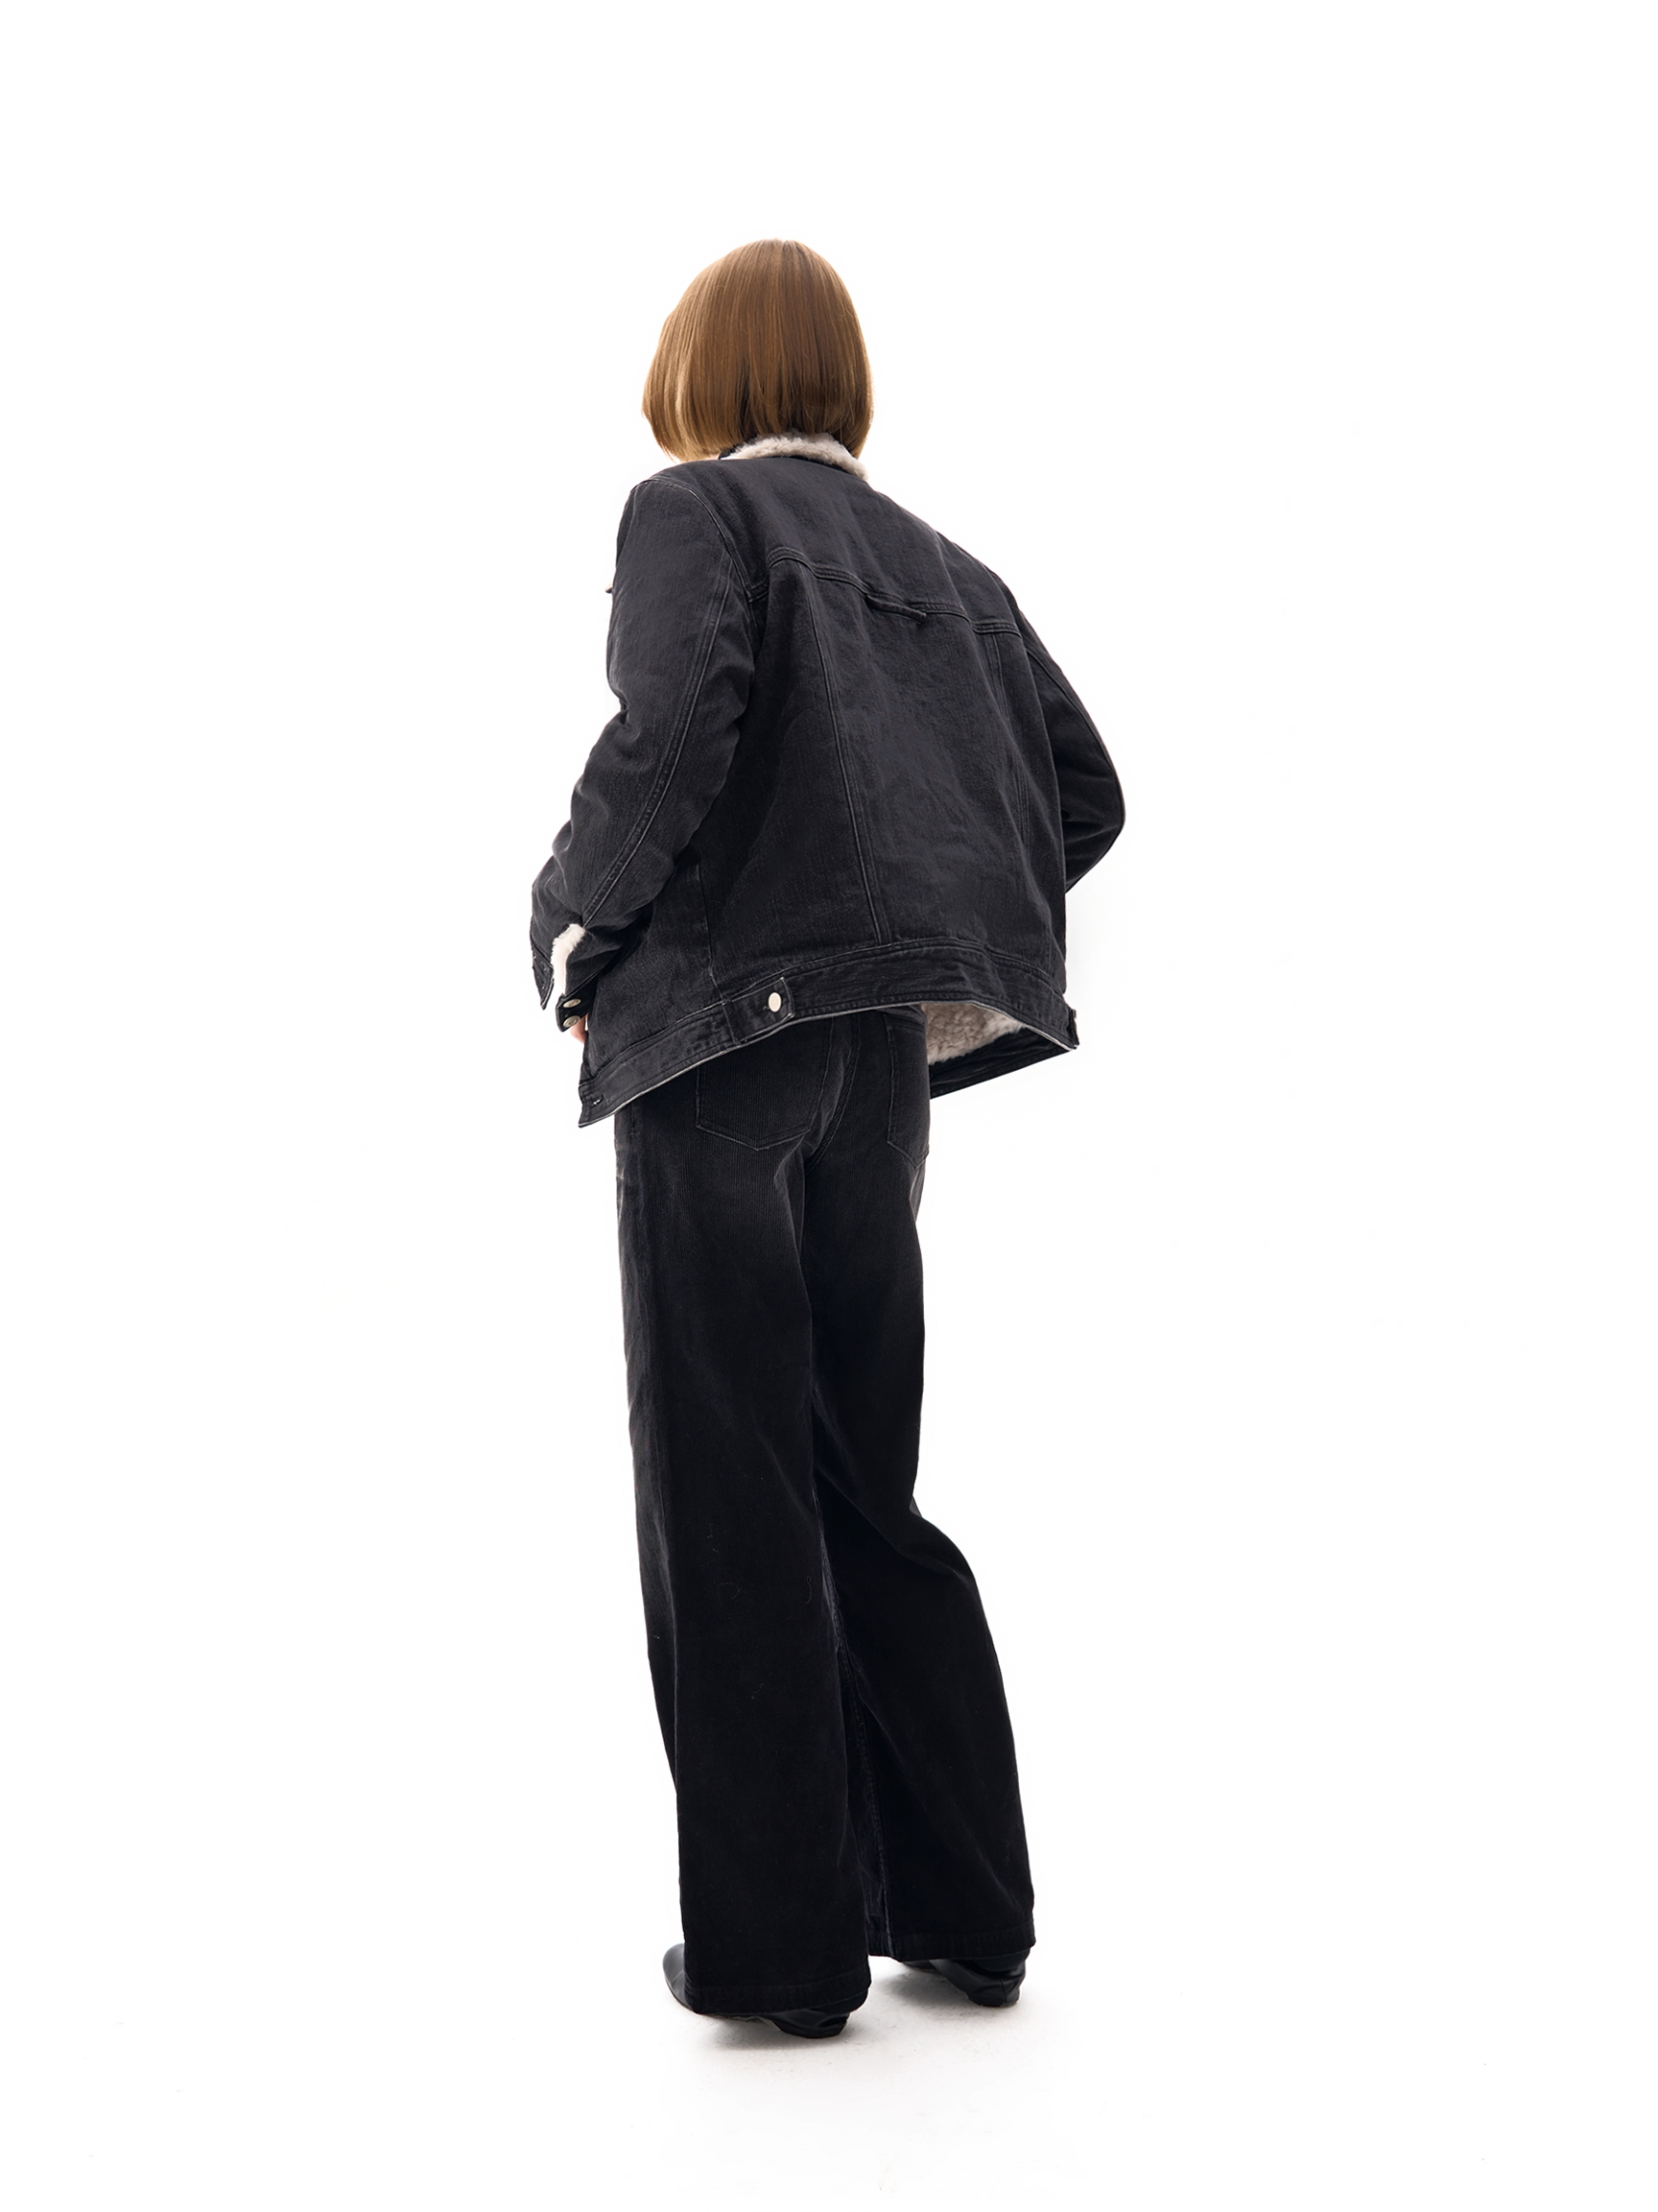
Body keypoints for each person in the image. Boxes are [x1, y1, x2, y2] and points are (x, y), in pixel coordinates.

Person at [530, 240, 1125, 2038]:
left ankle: (782, 1955)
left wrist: (571, 925)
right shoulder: (955, 575)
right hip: (877, 1065)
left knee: (727, 1498)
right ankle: (970, 1908)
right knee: (868, 1480)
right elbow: (1084, 789)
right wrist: (926, 928)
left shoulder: (690, 513)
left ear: (699, 380)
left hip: (721, 1046)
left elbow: (673, 725)